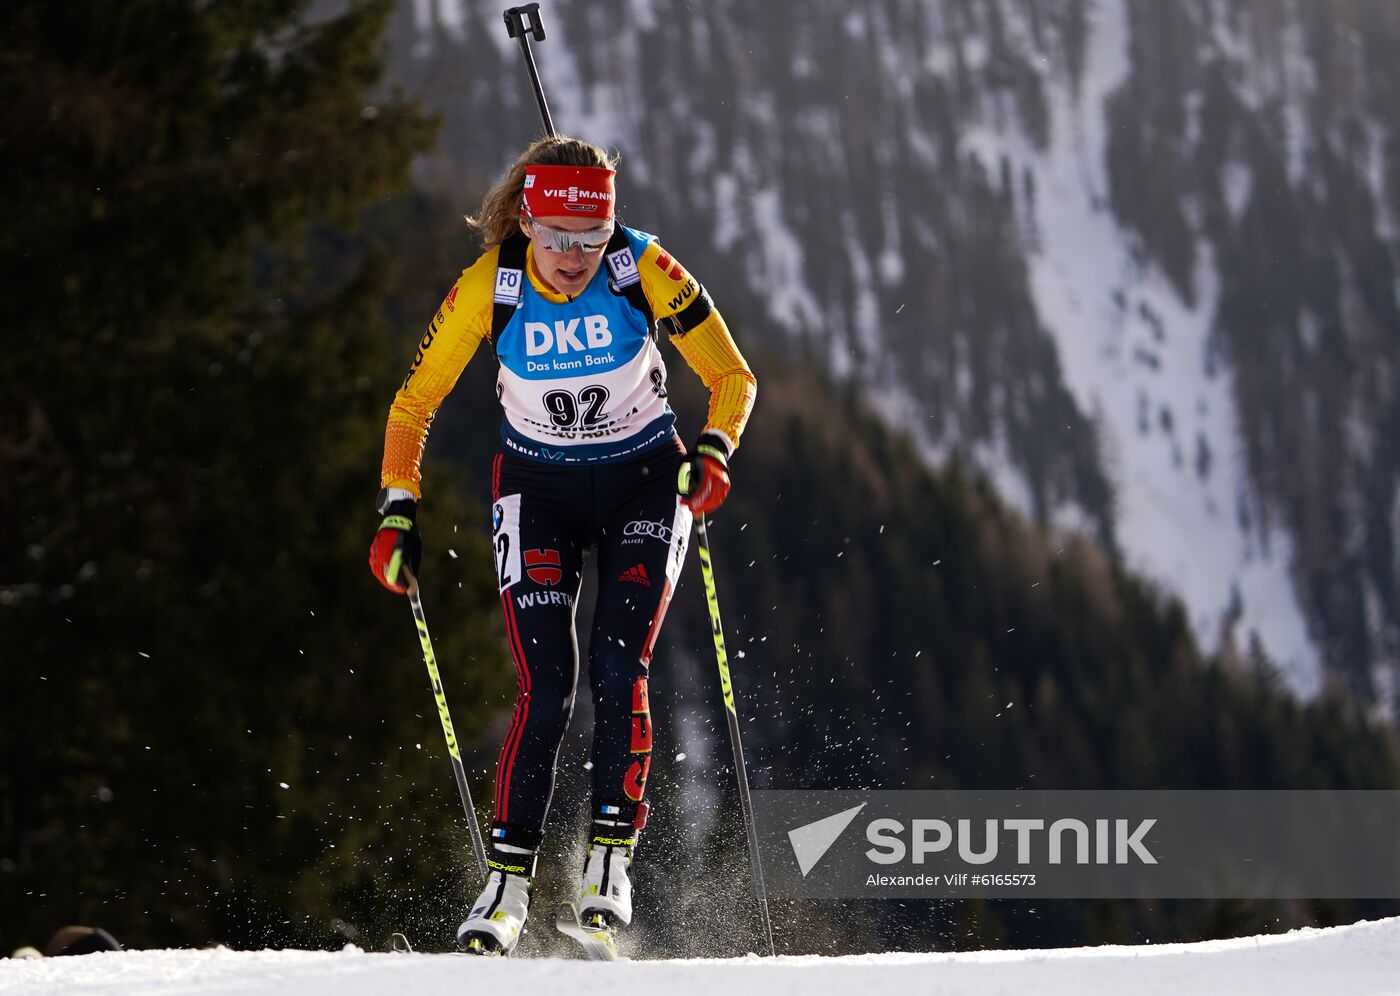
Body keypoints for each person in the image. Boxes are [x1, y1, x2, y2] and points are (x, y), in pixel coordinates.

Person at [367, 135, 756, 955]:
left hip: (645, 482)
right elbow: (413, 403)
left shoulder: (640, 267)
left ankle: (610, 859)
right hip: (535, 491)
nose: (575, 258)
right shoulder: (491, 284)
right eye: (555, 238)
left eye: (591, 238)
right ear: (526, 220)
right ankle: (507, 883)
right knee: (547, 682)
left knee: (621, 663)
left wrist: (714, 449)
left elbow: (732, 375)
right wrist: (398, 509)